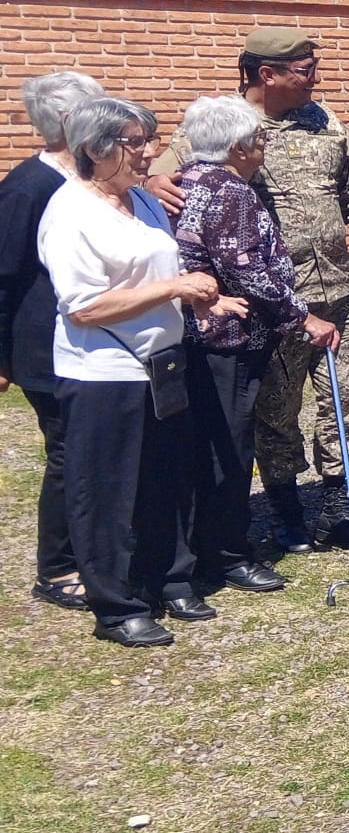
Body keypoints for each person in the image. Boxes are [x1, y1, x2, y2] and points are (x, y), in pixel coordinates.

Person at [153, 28, 349, 555]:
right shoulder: (222, 126)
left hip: (340, 290)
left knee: (347, 399)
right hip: (275, 303)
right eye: (306, 70)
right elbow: (162, 180)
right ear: (268, 74)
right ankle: (286, 510)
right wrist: (151, 181)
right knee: (276, 411)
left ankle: (336, 506)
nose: (317, 79)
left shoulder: (325, 122)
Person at [41, 96, 222, 646]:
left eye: (149, 140)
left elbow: (153, 268)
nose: (149, 153)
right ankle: (116, 604)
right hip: (104, 372)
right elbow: (84, 306)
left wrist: (194, 298)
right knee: (107, 490)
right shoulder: (71, 213)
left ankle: (168, 578)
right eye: (135, 143)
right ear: (96, 150)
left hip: (161, 364)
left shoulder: (138, 200)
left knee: (166, 479)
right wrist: (175, 287)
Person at [173, 97, 341, 593]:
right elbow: (246, 269)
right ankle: (227, 554)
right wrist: (302, 316)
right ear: (238, 146)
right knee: (229, 447)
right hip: (229, 339)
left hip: (203, 338)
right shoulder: (231, 192)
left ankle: (210, 546)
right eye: (260, 139)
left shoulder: (189, 181)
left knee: (212, 446)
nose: (264, 145)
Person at [0, 71, 105, 611]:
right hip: (45, 350)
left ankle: (98, 551)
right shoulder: (27, 188)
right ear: (69, 121)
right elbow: (3, 275)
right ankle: (58, 568)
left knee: (92, 453)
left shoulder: (90, 179)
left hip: (91, 342)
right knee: (68, 455)